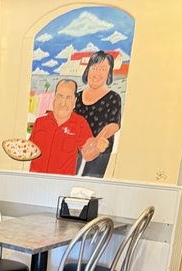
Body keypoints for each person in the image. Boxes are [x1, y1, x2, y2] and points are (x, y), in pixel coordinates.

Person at [29, 79, 94, 175]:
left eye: (68, 97)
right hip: (35, 178)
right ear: (54, 98)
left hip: (62, 182)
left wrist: (98, 147)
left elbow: (88, 154)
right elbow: (28, 149)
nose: (63, 103)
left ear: (74, 101)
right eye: (60, 96)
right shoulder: (40, 122)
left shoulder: (80, 124)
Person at [74, 50, 122, 178]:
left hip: (100, 152)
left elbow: (114, 125)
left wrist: (94, 145)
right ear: (88, 70)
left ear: (109, 73)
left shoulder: (113, 97)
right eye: (94, 68)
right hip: (75, 151)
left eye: (103, 69)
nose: (97, 73)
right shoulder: (76, 96)